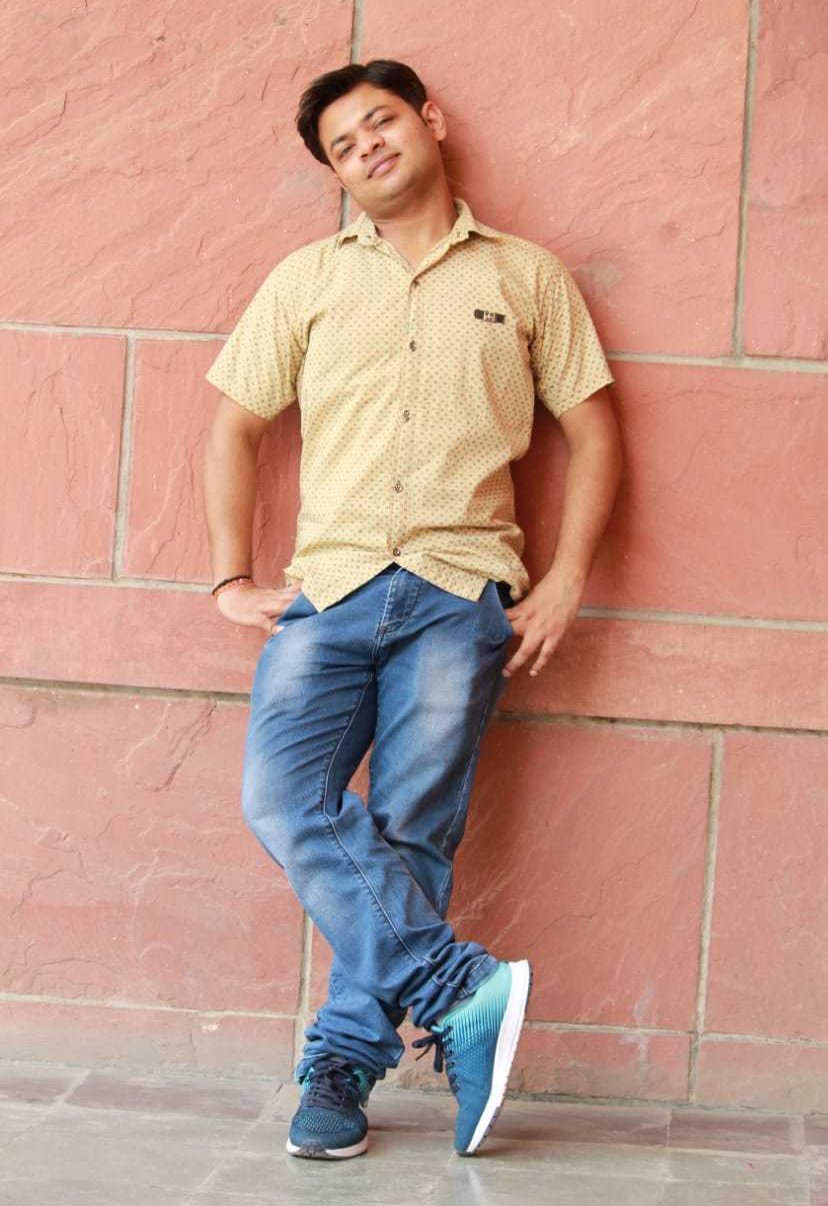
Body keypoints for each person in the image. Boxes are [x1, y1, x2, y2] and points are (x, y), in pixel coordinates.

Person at [201, 59, 623, 1161]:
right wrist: (229, 577)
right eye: (343, 147)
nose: (368, 149)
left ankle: (341, 1070)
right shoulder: (305, 279)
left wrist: (566, 578)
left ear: (429, 121)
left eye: (380, 122)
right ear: (335, 175)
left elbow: (594, 430)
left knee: (409, 837)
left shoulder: (525, 276)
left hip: (457, 588)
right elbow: (234, 425)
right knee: (281, 797)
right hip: (330, 589)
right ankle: (455, 985)